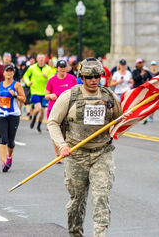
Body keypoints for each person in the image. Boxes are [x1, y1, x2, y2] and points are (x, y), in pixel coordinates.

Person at [47, 58, 122, 237]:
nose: (94, 80)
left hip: (101, 153)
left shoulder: (109, 97)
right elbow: (52, 122)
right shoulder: (69, 96)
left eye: (97, 76)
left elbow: (121, 120)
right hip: (76, 155)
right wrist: (62, 145)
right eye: (89, 77)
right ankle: (75, 233)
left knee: (101, 197)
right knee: (77, 202)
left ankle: (100, 234)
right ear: (82, 77)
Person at [0, 64, 25, 172]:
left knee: (11, 141)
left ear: (13, 73)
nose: (9, 73)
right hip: (1, 114)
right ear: (4, 73)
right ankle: (4, 162)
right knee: (3, 138)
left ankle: (9, 157)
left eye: (11, 71)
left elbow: (23, 99)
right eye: (7, 71)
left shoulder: (17, 85)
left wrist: (14, 95)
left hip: (13, 115)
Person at [45, 60, 77, 162]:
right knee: (56, 131)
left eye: (64, 67)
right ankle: (58, 154)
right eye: (60, 67)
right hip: (54, 109)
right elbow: (46, 95)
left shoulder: (72, 79)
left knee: (69, 131)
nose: (63, 69)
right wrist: (50, 95)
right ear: (57, 68)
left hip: (68, 108)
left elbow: (77, 92)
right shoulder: (51, 80)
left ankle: (69, 150)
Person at [23, 53, 54, 133]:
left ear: (45, 59)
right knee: (38, 108)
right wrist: (28, 82)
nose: (41, 59)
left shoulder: (48, 69)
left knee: (42, 111)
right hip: (35, 91)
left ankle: (38, 126)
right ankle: (34, 118)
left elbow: (52, 79)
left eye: (42, 58)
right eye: (39, 58)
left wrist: (47, 77)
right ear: (37, 59)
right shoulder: (32, 68)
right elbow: (25, 76)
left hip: (45, 92)